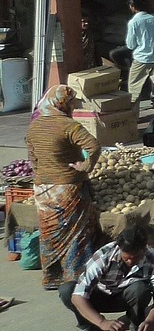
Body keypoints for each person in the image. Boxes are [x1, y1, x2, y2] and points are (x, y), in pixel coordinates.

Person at [25, 85, 102, 291]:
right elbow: (93, 146)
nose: (74, 106)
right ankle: (75, 275)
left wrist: (42, 172)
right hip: (67, 187)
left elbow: (33, 157)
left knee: (50, 231)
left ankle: (52, 276)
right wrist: (85, 166)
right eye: (71, 102)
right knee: (75, 232)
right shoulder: (69, 126)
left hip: (43, 190)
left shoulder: (35, 125)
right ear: (62, 103)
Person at [59, 226, 154, 331]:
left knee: (141, 289)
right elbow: (78, 296)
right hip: (99, 296)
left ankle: (136, 321)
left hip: (127, 297)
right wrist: (102, 322)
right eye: (127, 258)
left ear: (144, 248)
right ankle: (91, 325)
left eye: (136, 257)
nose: (131, 261)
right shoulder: (103, 256)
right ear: (119, 248)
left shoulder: (153, 259)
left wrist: (150, 320)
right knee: (67, 291)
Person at [124, 0, 154, 116]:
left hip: (141, 59)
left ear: (132, 7)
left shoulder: (134, 22)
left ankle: (134, 116)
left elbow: (130, 44)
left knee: (134, 89)